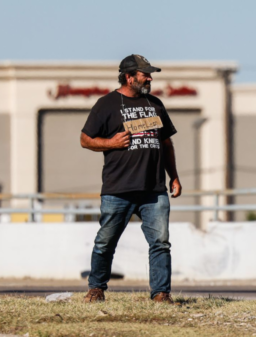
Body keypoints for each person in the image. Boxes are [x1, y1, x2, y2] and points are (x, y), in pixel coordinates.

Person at [80, 54, 181, 304]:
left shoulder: (155, 104)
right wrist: (110, 142)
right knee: (106, 241)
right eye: (145, 74)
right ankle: (96, 289)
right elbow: (85, 139)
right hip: (118, 189)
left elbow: (166, 143)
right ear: (129, 77)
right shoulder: (106, 104)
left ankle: (160, 294)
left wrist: (174, 177)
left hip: (154, 190)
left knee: (160, 243)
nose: (149, 78)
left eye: (150, 74)